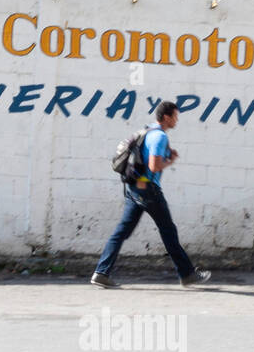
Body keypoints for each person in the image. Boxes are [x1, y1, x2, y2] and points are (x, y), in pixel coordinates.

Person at [91, 101, 212, 289]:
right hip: (148, 190)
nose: (176, 121)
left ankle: (101, 272)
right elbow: (154, 166)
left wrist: (165, 152)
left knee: (122, 231)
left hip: (134, 188)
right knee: (168, 231)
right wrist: (170, 161)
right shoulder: (160, 137)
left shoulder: (148, 131)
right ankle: (187, 274)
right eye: (175, 117)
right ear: (166, 117)